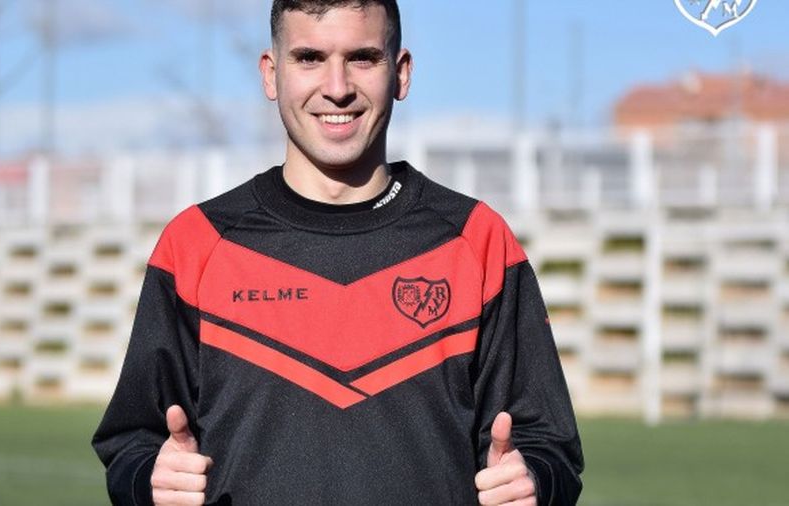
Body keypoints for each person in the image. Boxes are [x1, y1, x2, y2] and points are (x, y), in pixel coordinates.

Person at [92, 0, 584, 504]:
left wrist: (534, 482)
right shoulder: (197, 244)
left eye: (362, 58)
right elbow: (133, 442)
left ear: (401, 73)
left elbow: (549, 448)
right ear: (271, 74)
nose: (337, 87)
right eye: (309, 58)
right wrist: (150, 480)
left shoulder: (476, 241)